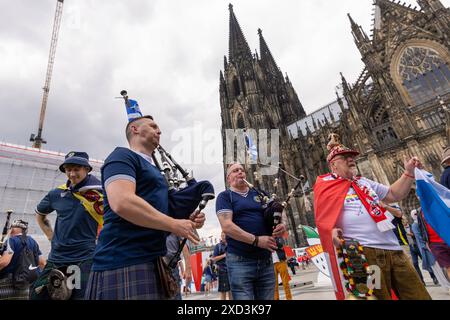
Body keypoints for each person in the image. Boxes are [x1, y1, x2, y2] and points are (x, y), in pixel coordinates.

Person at [84, 115, 205, 300]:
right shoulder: (121, 156)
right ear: (135, 129)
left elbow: (160, 211)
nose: (160, 131)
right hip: (123, 259)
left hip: (153, 259)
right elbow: (122, 201)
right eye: (153, 126)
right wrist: (173, 224)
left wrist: (186, 219)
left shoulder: (155, 171)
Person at [314, 134, 431, 300]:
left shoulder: (364, 182)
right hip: (364, 255)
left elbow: (393, 194)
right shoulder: (326, 186)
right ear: (333, 164)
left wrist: (408, 173)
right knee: (376, 296)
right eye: (345, 157)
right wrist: (331, 231)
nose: (351, 159)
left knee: (418, 296)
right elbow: (324, 218)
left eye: (352, 156)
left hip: (394, 251)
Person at [31, 151, 104, 300]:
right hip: (56, 257)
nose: (71, 174)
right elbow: (40, 214)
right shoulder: (56, 194)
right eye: (68, 169)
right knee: (36, 295)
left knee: (79, 297)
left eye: (76, 169)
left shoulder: (101, 193)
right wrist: (51, 237)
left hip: (84, 257)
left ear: (87, 169)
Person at [216, 163, 286, 300]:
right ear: (228, 178)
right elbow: (227, 226)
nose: (240, 172)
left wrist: (283, 224)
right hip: (240, 261)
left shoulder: (260, 194)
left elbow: (279, 209)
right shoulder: (225, 197)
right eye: (235, 171)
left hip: (265, 260)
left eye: (242, 170)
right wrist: (257, 240)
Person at [0, 220, 45, 300]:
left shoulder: (11, 241)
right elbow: (42, 263)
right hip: (25, 286)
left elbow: (4, 262)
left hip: (6, 285)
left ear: (12, 230)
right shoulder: (33, 242)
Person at [410, 209, 439, 285]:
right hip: (423, 247)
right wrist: (425, 246)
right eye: (415, 214)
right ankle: (427, 280)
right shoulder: (414, 225)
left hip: (427, 246)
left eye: (417, 214)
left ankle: (435, 278)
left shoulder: (421, 223)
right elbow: (419, 237)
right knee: (430, 264)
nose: (416, 216)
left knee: (435, 264)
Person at [164, 233, 192, 300]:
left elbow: (183, 244)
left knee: (174, 296)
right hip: (155, 265)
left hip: (171, 267)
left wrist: (188, 268)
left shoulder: (176, 223)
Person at [212, 231, 232, 300]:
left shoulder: (231, 245)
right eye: (222, 235)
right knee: (223, 292)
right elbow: (214, 259)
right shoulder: (218, 246)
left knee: (231, 291)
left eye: (225, 235)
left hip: (232, 270)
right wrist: (224, 255)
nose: (223, 237)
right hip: (223, 271)